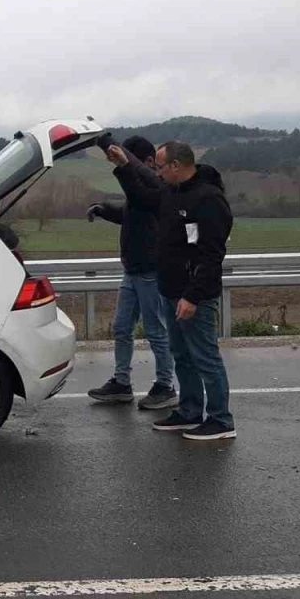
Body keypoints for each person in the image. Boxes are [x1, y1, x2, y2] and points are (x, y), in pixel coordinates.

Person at [107, 140, 236, 441]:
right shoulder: (172, 193)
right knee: (182, 355)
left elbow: (210, 255)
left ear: (176, 166)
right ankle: (190, 411)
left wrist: (192, 296)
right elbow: (143, 198)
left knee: (205, 357)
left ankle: (221, 420)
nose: (158, 172)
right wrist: (124, 168)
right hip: (170, 290)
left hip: (194, 296)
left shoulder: (208, 200)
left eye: (162, 166)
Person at [85, 135, 176, 410]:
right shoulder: (143, 186)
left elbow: (140, 198)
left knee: (155, 330)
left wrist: (111, 149)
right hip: (133, 269)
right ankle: (122, 383)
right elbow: (130, 212)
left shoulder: (160, 187)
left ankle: (166, 386)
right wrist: (104, 210)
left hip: (149, 270)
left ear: (147, 162)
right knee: (123, 328)